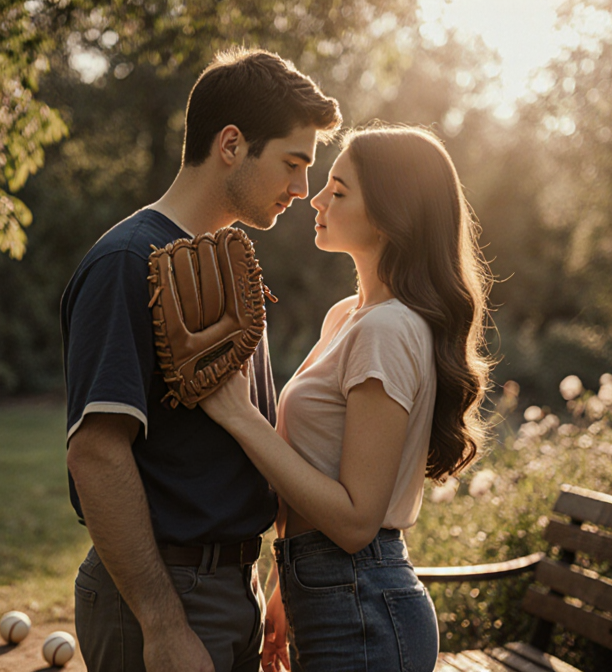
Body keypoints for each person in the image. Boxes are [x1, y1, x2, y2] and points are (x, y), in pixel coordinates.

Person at [61, 47, 340, 672]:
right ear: (232, 144)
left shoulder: (226, 261)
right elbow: (96, 453)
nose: (302, 189)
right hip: (166, 595)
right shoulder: (127, 262)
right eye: (294, 164)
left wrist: (266, 582)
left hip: (229, 586)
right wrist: (162, 624)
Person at [199, 125, 490, 672]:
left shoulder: (387, 329)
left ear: (387, 214)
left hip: (363, 605)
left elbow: (358, 522)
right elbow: (322, 469)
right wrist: (286, 585)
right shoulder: (347, 316)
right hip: (330, 591)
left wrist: (240, 416)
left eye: (338, 189)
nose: (316, 197)